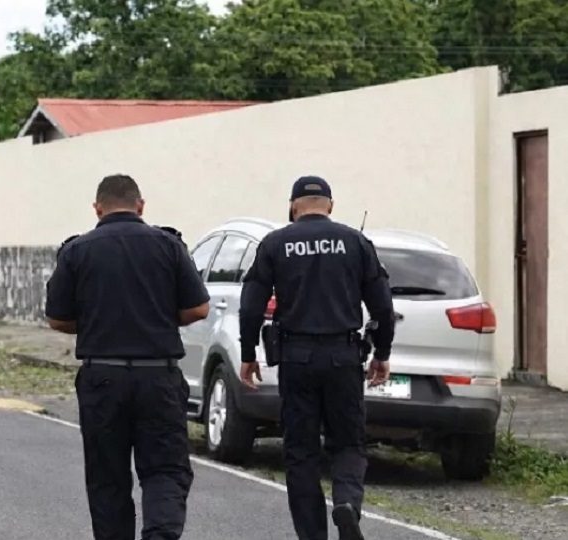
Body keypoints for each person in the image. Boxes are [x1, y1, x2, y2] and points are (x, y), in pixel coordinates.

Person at [45, 174, 210, 540]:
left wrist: (94, 324)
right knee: (165, 470)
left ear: (97, 208)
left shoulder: (76, 251)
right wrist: (160, 317)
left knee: (108, 479)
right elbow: (199, 308)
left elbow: (57, 317)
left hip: (102, 377)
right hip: (158, 378)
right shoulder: (168, 245)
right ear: (141, 205)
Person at [238, 176, 395, 540]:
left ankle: (312, 535)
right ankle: (346, 503)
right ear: (330, 204)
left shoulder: (275, 243)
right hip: (343, 357)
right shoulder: (355, 242)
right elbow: (383, 308)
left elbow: (250, 307)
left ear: (294, 206)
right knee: (349, 443)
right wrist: (382, 354)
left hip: (297, 359)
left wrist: (248, 355)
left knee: (301, 452)